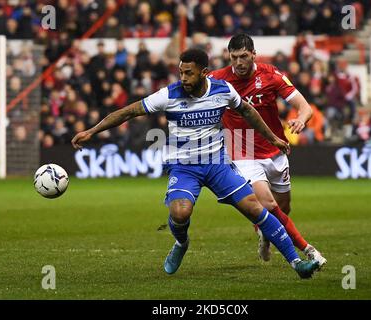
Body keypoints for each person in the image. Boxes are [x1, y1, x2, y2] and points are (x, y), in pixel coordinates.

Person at [72, 48, 320, 279]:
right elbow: (127, 112)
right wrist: (92, 131)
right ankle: (181, 243)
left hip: (217, 165)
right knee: (180, 212)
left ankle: (297, 263)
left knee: (256, 208)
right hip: (184, 167)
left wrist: (274, 138)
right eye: (180, 72)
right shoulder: (169, 95)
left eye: (188, 73)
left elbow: (248, 112)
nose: (183, 78)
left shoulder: (222, 90)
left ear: (203, 72)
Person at [209, 34, 326, 267]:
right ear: (228, 56)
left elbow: (304, 107)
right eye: (234, 57)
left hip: (275, 150)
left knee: (284, 207)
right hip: (242, 153)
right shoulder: (217, 80)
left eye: (244, 56)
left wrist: (301, 119)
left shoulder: (271, 75)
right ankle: (306, 250)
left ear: (254, 54)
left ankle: (265, 233)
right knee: (268, 205)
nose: (239, 62)